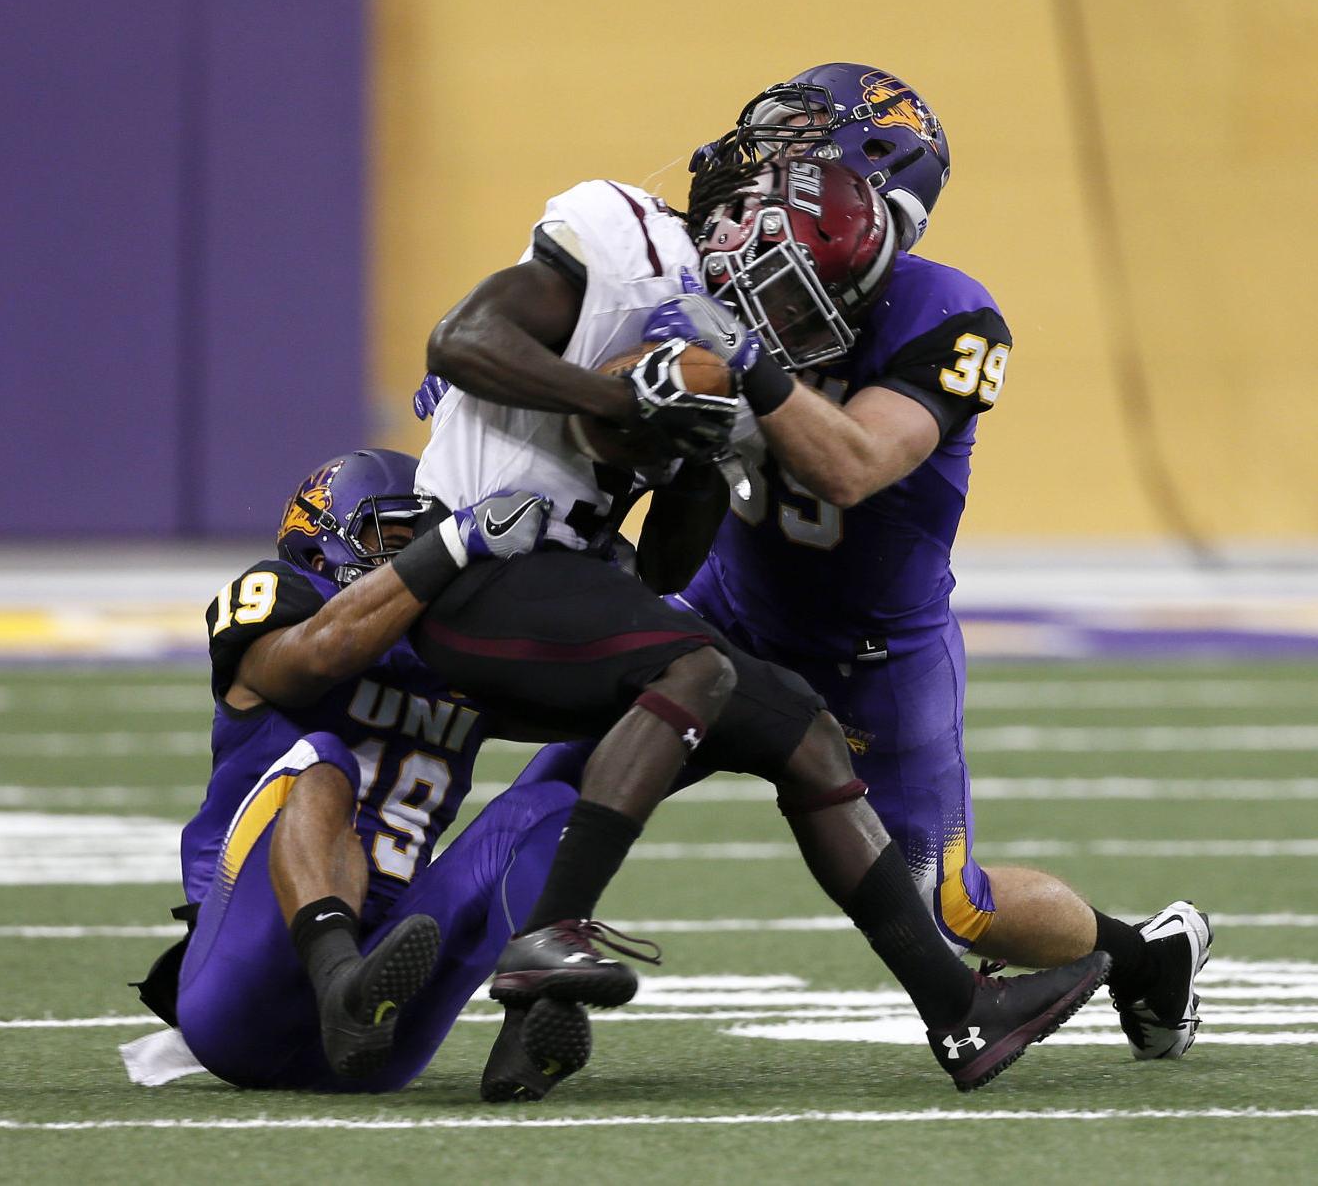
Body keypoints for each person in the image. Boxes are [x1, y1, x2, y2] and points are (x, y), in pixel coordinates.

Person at [411, 160, 1109, 1096]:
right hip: (611, 593)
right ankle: (435, 971)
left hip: (857, 647)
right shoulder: (645, 259)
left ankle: (1052, 983)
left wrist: (715, 417)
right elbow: (469, 342)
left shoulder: (907, 321)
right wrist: (623, 402)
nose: (810, 318)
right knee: (587, 771)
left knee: (904, 849)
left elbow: (803, 488)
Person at [667, 62, 1211, 1061]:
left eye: (791, 146)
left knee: (946, 902)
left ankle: (1144, 957)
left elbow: (853, 464)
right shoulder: (721, 259)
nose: (760, 167)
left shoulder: (945, 312)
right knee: (563, 774)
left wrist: (744, 358)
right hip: (727, 605)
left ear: (865, 171)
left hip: (871, 656)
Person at [124, 449, 591, 1100]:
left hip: (382, 1027)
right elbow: (318, 657)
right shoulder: (282, 599)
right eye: (394, 544)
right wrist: (456, 544)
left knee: (549, 802)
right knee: (319, 755)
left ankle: (529, 1025)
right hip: (243, 985)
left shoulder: (457, 651)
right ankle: (338, 971)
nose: (417, 563)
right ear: (319, 551)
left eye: (424, 543)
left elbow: (594, 696)